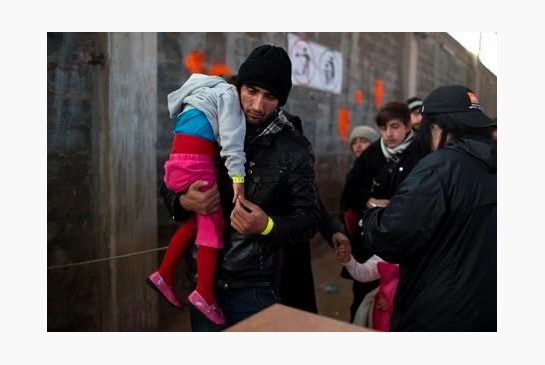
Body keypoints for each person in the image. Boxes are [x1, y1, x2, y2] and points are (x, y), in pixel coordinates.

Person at [160, 44, 319, 331]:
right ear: (239, 86)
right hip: (202, 284)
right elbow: (173, 181)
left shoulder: (293, 148)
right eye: (252, 91)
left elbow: (309, 218)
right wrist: (184, 202)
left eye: (270, 97)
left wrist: (267, 225)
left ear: (281, 100)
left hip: (254, 289)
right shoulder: (210, 120)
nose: (258, 105)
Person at [359, 84, 497, 331]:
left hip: (439, 313)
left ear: (436, 127)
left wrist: (371, 214)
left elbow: (391, 236)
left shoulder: (439, 168)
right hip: (487, 310)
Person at [147, 73, 246, 325]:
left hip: (176, 166)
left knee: (195, 223)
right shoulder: (228, 95)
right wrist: (238, 180)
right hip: (198, 166)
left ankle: (164, 273)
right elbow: (231, 142)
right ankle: (204, 294)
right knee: (212, 228)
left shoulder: (197, 93)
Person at [339, 101, 422, 322]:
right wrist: (370, 200)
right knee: (362, 298)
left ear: (407, 126)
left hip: (406, 241)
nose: (389, 134)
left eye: (394, 127)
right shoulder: (372, 153)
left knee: (398, 299)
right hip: (370, 239)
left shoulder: (421, 152)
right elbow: (351, 188)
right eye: (384, 128)